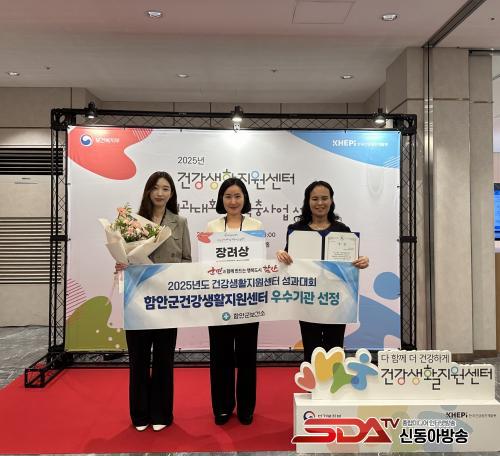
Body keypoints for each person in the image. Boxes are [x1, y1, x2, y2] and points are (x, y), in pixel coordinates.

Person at [117, 171, 191, 432]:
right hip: (137, 299)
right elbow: (123, 256)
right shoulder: (133, 222)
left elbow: (186, 260)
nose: (160, 193)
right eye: (156, 188)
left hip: (167, 301)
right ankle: (139, 414)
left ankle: (161, 413)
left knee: (163, 359)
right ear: (148, 191)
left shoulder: (180, 222)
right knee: (138, 359)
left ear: (172, 194)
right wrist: (121, 263)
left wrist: (175, 277)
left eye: (166, 189)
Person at [276, 180, 369, 363]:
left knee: (335, 349)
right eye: (315, 199)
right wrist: (282, 255)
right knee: (311, 348)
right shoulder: (296, 230)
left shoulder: (342, 230)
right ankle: (313, 382)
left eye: (324, 198)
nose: (320, 203)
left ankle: (334, 382)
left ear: (331, 201)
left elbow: (351, 262)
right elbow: (289, 260)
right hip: (307, 300)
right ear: (307, 201)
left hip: (336, 301)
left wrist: (362, 260)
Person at [206, 177, 262, 426]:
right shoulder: (212, 226)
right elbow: (206, 264)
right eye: (228, 196)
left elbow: (258, 263)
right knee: (220, 357)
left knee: (247, 357)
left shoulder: (255, 225)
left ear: (244, 199)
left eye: (237, 196)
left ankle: (246, 407)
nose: (233, 201)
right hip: (219, 302)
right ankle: (222, 407)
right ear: (221, 199)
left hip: (248, 302)